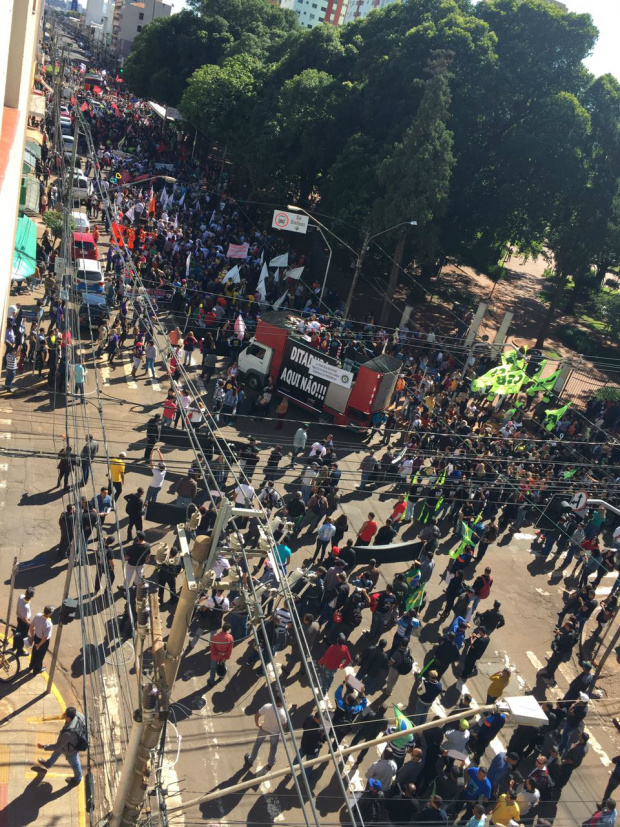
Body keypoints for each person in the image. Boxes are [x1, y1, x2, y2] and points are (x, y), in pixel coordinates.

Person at [37, 706, 85, 785]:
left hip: (70, 749)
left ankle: (77, 779)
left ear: (69, 718)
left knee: (75, 763)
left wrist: (44, 746)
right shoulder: (79, 715)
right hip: (69, 743)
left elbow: (57, 746)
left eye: (65, 714)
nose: (63, 714)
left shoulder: (68, 733)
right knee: (57, 752)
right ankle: (48, 764)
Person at [244, 697, 287, 770]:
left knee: (257, 744)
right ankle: (270, 763)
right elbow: (284, 725)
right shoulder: (283, 713)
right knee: (273, 748)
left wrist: (257, 724)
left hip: (264, 728)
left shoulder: (267, 706)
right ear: (280, 703)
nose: (284, 702)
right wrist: (280, 731)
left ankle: (251, 760)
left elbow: (257, 715)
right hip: (274, 732)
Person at [293, 711, 326, 781]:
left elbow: (304, 726)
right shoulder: (318, 731)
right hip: (312, 751)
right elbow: (320, 739)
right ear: (318, 719)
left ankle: (292, 770)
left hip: (304, 745)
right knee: (309, 766)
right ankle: (306, 779)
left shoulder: (309, 718)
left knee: (298, 758)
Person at [207, 622, 234, 687]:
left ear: (222, 628)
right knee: (222, 666)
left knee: (213, 669)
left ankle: (211, 681)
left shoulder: (215, 636)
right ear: (228, 630)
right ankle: (221, 676)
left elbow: (212, 648)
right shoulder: (230, 637)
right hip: (223, 656)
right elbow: (229, 650)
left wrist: (218, 653)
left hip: (215, 656)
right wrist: (225, 657)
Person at [29, 605, 54, 674]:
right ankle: (37, 669)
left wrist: (32, 637)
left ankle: (31, 665)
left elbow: (31, 627)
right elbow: (45, 638)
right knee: (40, 656)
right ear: (50, 614)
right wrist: (39, 645)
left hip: (36, 637)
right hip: (43, 642)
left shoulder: (38, 615)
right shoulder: (49, 624)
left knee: (34, 653)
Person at [15, 586, 35, 655]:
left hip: (19, 618)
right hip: (23, 623)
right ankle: (19, 651)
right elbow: (24, 618)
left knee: (17, 633)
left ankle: (15, 646)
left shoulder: (21, 596)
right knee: (22, 637)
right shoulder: (26, 607)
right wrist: (29, 624)